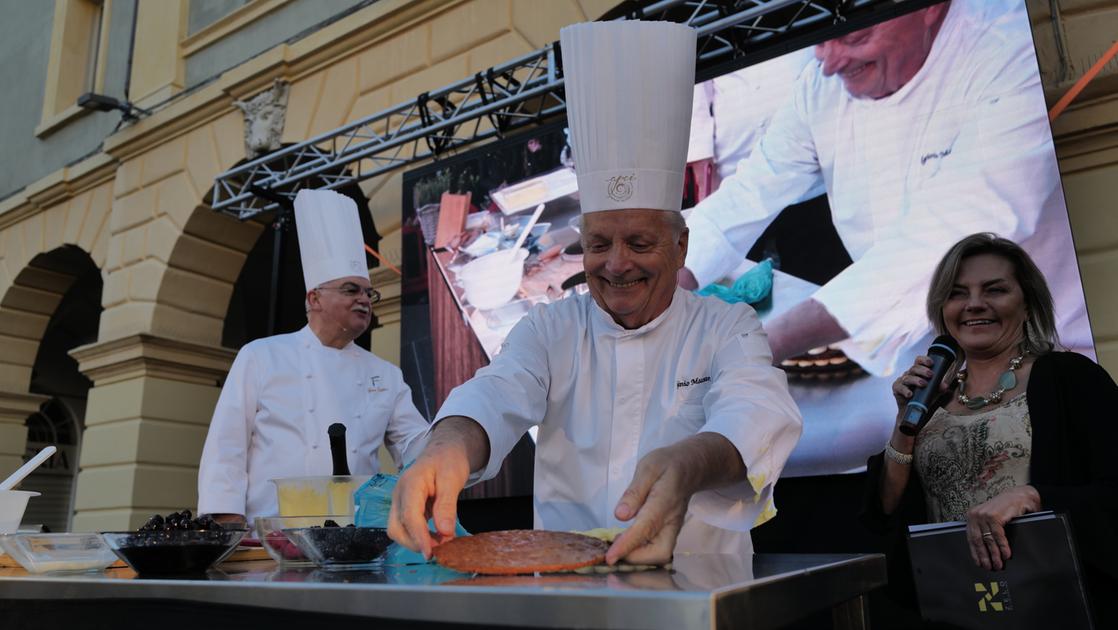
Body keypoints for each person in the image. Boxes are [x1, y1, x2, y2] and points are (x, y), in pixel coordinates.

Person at [388, 20, 802, 565]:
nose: (616, 263)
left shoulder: (726, 326)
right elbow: (498, 391)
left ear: (681, 246)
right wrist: (447, 447)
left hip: (700, 594)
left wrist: (688, 462)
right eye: (599, 242)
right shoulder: (550, 328)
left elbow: (755, 406)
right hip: (568, 598)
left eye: (639, 242)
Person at [680, 0, 1092, 379]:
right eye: (818, 42)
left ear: (929, 7)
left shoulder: (1011, 51)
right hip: (935, 365)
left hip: (1052, 356)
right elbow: (745, 197)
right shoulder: (820, 89)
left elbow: (945, 243)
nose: (828, 63)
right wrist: (660, 280)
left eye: (854, 37)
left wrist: (756, 348)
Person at [862, 233, 1118, 626]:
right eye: (957, 293)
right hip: (955, 606)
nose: (974, 304)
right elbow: (886, 512)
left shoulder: (1071, 378)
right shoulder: (931, 396)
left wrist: (1032, 496)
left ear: (1028, 302)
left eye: (994, 290)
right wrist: (904, 424)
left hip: (1053, 603)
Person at [197, 189, 429, 526]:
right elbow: (226, 446)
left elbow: (416, 445)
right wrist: (229, 524)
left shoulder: (386, 374)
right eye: (351, 290)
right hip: (270, 535)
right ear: (314, 298)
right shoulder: (261, 356)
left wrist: (457, 434)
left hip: (356, 538)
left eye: (369, 292)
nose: (364, 299)